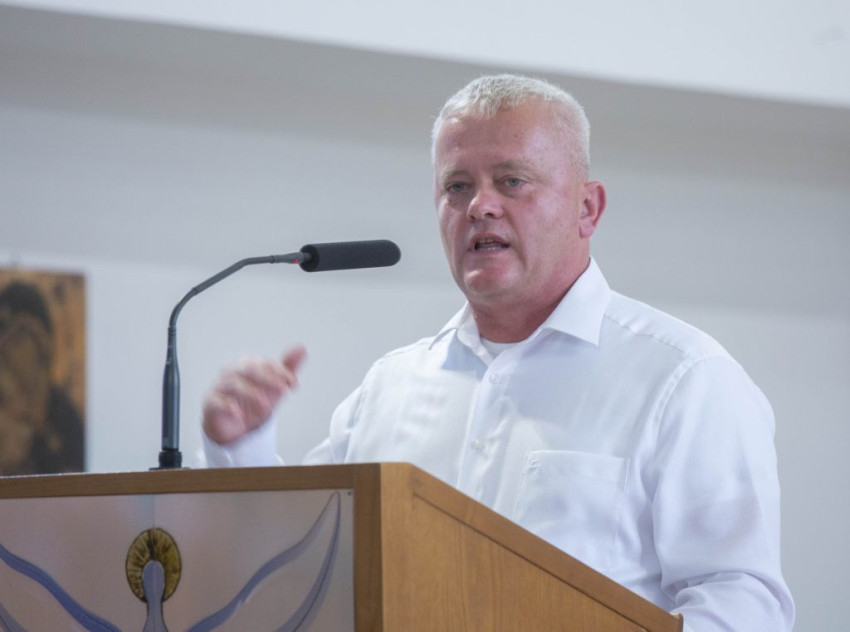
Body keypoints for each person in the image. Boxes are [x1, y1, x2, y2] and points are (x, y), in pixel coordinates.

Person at [200, 74, 794, 631]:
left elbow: (743, 601)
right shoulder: (390, 387)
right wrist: (241, 446)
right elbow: (306, 562)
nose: (479, 206)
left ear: (587, 209)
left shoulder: (684, 379)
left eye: (512, 181)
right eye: (457, 186)